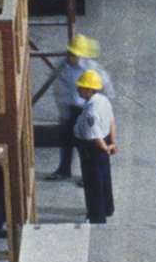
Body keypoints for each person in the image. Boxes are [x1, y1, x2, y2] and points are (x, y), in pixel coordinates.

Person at [46, 29, 108, 181]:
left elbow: (105, 85)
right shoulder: (62, 66)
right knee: (65, 141)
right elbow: (56, 84)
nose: (70, 57)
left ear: (81, 55)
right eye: (69, 53)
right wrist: (62, 109)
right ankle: (63, 170)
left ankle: (87, 175)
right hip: (69, 109)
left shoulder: (91, 68)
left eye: (74, 54)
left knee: (86, 145)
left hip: (85, 110)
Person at [74, 63, 117, 226]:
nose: (78, 89)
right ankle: (107, 208)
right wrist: (112, 142)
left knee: (92, 181)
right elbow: (112, 121)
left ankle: (96, 216)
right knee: (105, 177)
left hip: (92, 149)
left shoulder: (91, 110)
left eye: (81, 87)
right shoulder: (103, 100)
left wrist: (104, 147)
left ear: (88, 90)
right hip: (104, 143)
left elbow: (95, 135)